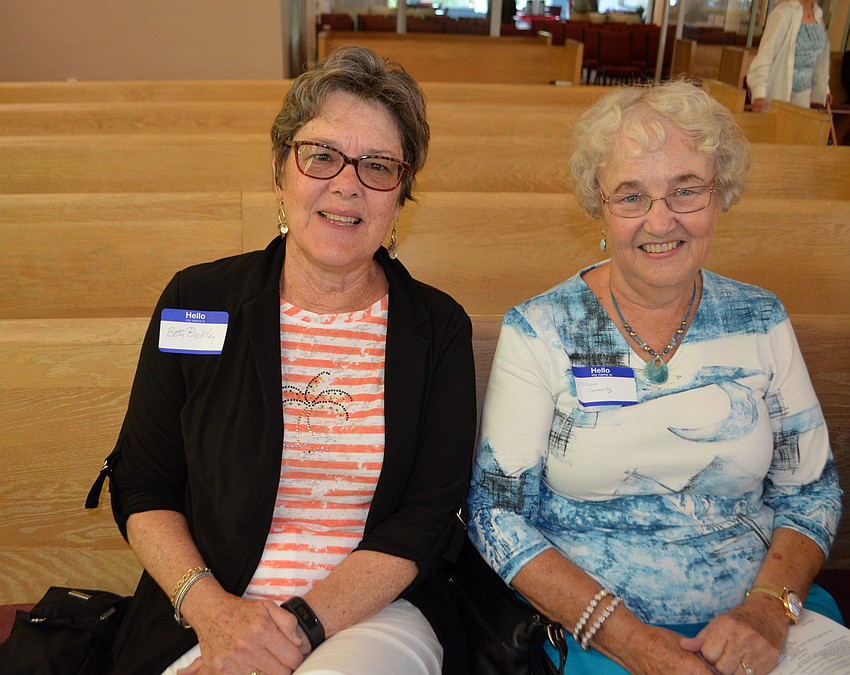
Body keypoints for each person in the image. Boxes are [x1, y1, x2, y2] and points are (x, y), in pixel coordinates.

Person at [96, 45, 476, 675]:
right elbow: (143, 482)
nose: (347, 183)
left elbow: (429, 515)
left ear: (401, 195)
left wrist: (297, 626)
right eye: (322, 155)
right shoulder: (199, 302)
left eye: (378, 165)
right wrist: (215, 615)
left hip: (375, 612)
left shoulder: (436, 328)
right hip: (207, 605)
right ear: (281, 171)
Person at [467, 80, 843, 674]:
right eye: (632, 196)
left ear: (720, 195)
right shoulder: (542, 330)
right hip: (596, 629)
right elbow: (497, 514)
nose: (660, 221)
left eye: (686, 191)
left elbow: (811, 489)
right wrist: (629, 641)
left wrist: (768, 610)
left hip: (760, 622)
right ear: (600, 203)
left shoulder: (759, 319)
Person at [746, 0, 831, 113]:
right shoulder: (784, 12)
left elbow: (818, 60)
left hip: (804, 95)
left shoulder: (818, 14)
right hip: (779, 91)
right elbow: (765, 56)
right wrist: (759, 92)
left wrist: (825, 89)